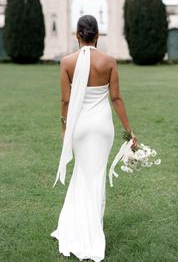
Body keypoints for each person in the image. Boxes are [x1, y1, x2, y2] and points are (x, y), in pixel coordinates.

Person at [50, 15, 138, 262]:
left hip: (79, 127)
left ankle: (80, 229)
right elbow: (116, 98)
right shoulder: (109, 61)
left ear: (77, 35)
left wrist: (64, 127)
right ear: (97, 35)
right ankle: (91, 229)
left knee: (82, 173)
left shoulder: (67, 62)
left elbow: (65, 101)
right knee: (95, 177)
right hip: (102, 127)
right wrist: (128, 131)